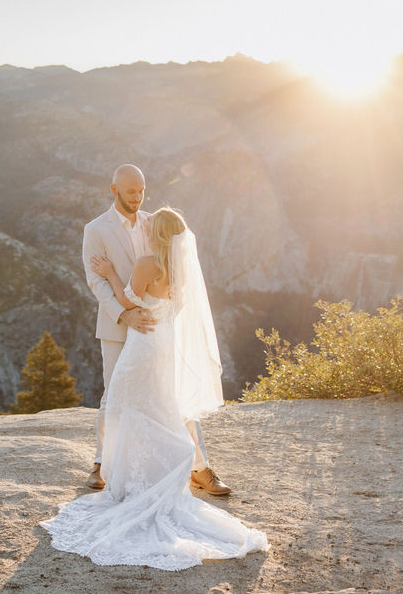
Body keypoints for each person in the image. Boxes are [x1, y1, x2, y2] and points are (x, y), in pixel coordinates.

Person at [40, 207, 268, 569]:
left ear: (157, 234)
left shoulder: (147, 263)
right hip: (164, 342)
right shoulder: (179, 270)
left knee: (125, 404)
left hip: (142, 345)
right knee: (160, 406)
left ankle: (129, 482)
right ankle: (157, 474)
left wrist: (111, 273)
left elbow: (128, 300)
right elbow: (173, 310)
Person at [79, 164, 230, 495]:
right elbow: (96, 281)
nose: (137, 197)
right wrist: (125, 314)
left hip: (156, 329)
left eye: (141, 191)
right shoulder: (96, 229)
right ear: (113, 190)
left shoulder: (155, 222)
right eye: (131, 191)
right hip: (118, 325)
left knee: (171, 394)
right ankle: (103, 464)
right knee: (113, 394)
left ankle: (200, 467)